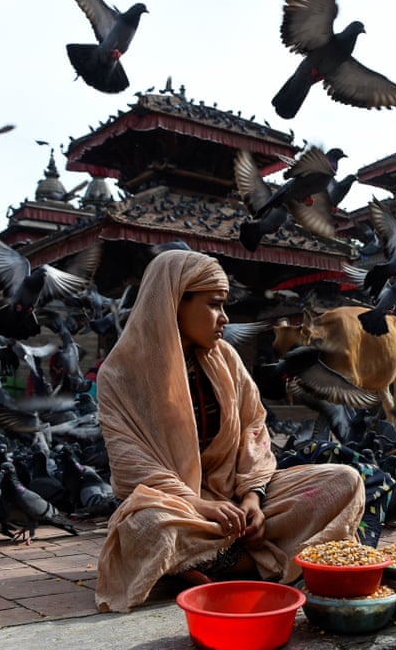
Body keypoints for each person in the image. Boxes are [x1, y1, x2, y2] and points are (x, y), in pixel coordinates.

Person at [94, 251, 365, 613]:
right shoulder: (119, 374)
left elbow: (253, 430)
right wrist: (200, 505)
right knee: (147, 526)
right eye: (214, 305)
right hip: (178, 505)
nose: (224, 319)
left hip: (236, 499)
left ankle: (206, 562)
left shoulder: (226, 358)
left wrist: (251, 498)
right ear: (175, 302)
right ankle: (251, 561)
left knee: (344, 481)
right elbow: (132, 464)